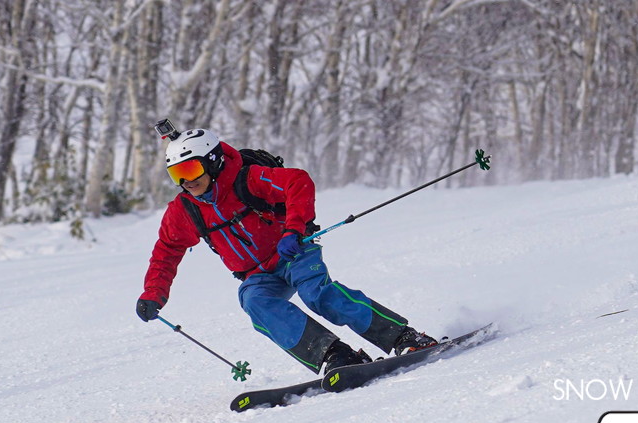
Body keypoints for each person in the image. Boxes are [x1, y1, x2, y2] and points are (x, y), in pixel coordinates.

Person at [135, 127, 439, 375]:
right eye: (177, 175)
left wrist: (294, 229)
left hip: (293, 251)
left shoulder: (247, 178)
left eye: (191, 168)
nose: (187, 181)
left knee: (316, 294)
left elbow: (297, 181)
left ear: (213, 160)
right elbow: (167, 249)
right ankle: (335, 355)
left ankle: (403, 337)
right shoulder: (185, 210)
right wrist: (153, 293)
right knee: (254, 301)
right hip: (257, 274)